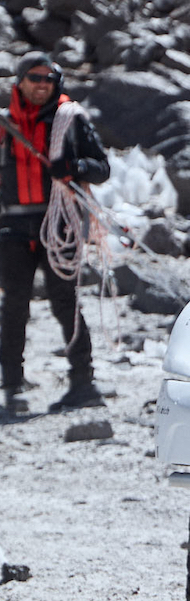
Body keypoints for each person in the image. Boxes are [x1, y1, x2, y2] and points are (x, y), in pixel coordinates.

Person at [0, 54, 110, 415]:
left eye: (48, 79)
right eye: (34, 78)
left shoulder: (71, 118)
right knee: (14, 307)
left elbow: (101, 168)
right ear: (20, 80)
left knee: (65, 303)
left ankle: (83, 383)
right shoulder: (4, 124)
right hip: (12, 227)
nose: (42, 85)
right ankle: (12, 386)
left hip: (58, 224)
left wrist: (76, 166)